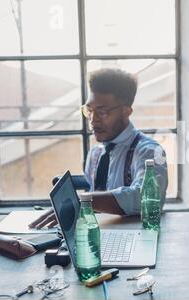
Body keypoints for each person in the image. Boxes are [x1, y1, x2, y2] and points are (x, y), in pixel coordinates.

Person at [30, 68, 168, 229]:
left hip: (139, 238)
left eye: (102, 112)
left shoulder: (149, 151)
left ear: (126, 112)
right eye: (89, 110)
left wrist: (84, 200)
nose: (93, 120)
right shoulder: (95, 154)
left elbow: (145, 197)